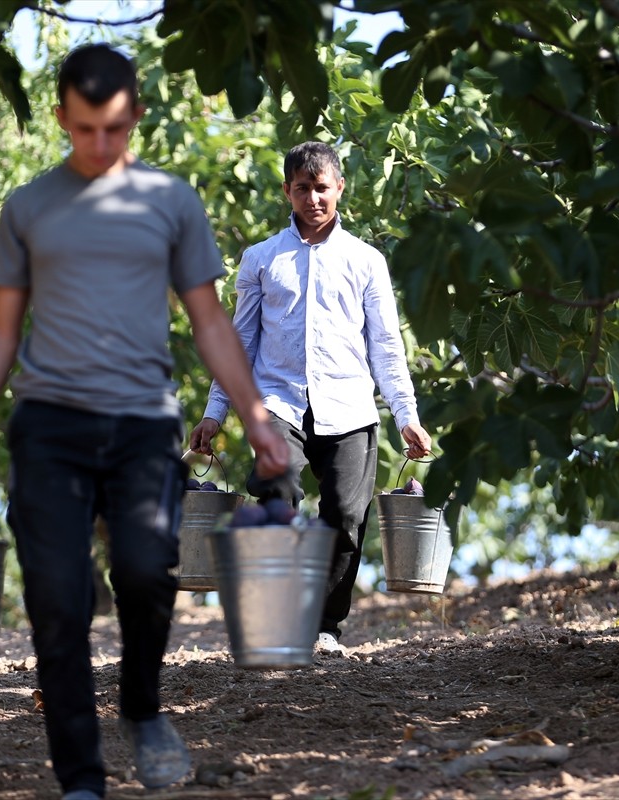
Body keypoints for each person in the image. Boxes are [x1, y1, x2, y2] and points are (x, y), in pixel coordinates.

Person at [0, 44, 288, 800]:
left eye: (115, 129)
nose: (100, 145)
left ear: (136, 118)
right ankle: (81, 781)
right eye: (85, 129)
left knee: (150, 573)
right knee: (57, 600)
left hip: (142, 425)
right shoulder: (28, 207)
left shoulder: (171, 202)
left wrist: (254, 416)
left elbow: (210, 321)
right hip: (48, 424)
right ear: (60, 118)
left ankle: (143, 708)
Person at [189, 141, 432, 656]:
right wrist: (215, 413)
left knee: (346, 515)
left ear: (339, 188)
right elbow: (242, 345)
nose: (314, 198)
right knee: (277, 493)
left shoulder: (366, 262)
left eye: (323, 188)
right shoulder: (260, 259)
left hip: (350, 408)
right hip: (277, 403)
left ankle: (324, 627)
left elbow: (386, 347)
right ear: (287, 192)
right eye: (303, 188)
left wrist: (406, 416)